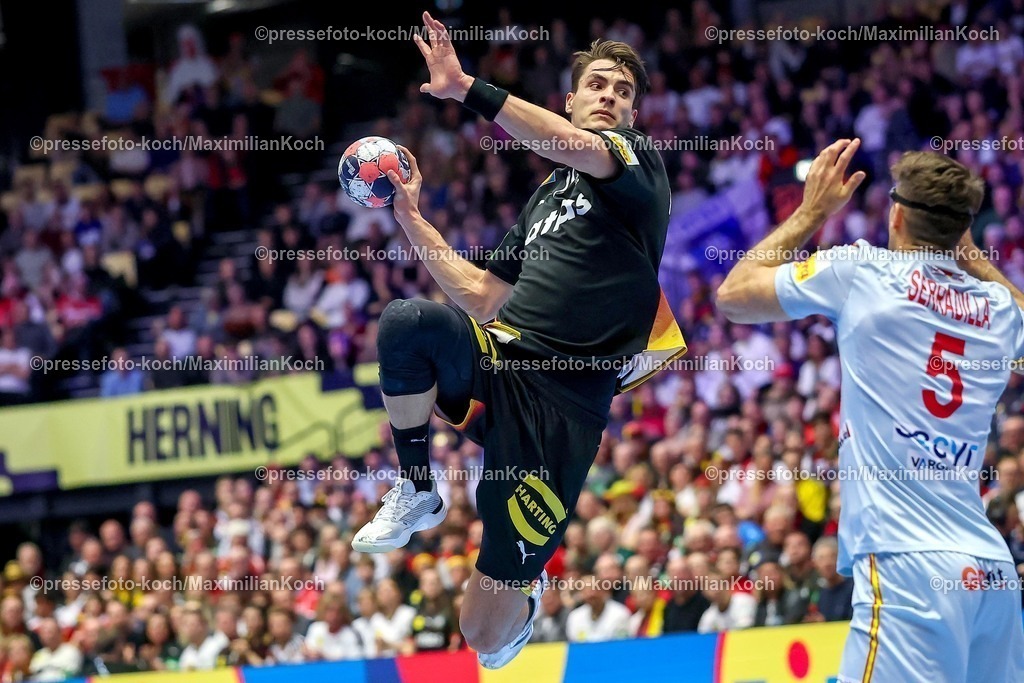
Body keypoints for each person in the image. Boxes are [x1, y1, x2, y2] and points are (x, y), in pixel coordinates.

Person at [352, 10, 683, 671]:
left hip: (563, 411)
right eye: (598, 84)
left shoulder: (634, 162)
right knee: (407, 323)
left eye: (623, 91)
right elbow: (478, 294)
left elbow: (570, 144)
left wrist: (464, 85)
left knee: (478, 631)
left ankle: (522, 600)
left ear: (634, 116)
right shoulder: (543, 201)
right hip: (503, 360)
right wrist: (411, 217)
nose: (610, 96)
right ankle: (419, 487)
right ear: (572, 96)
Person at [718, 140, 1024, 681]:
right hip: (991, 574)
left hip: (909, 564)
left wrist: (811, 211)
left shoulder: (863, 271)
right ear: (961, 230)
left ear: (897, 214)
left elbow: (735, 295)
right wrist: (970, 253)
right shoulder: (1000, 308)